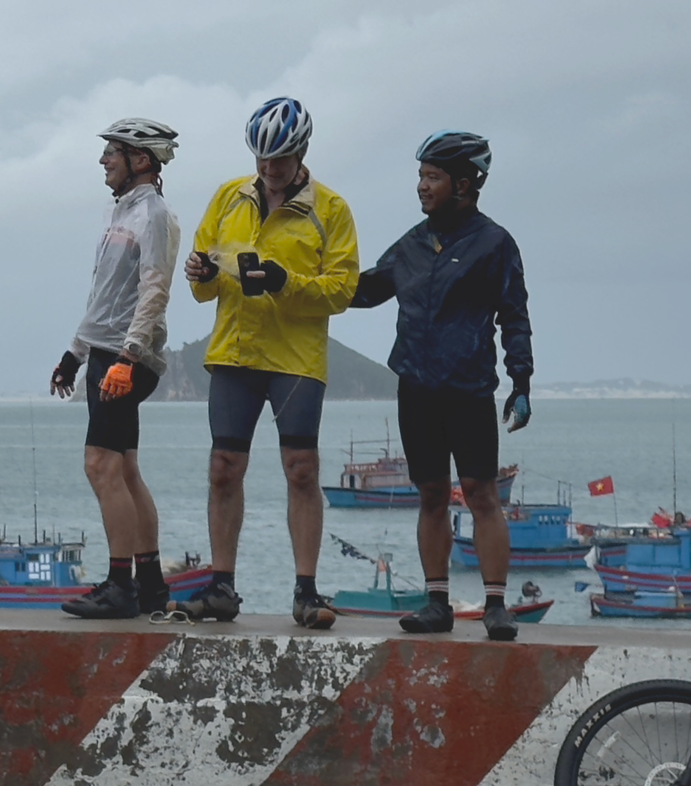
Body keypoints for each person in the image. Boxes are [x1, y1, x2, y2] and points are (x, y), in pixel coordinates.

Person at [173, 97, 359, 628]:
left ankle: (306, 591)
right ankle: (221, 587)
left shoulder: (332, 209)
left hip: (295, 359)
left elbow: (343, 289)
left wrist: (284, 282)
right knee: (223, 468)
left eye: (279, 158)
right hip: (235, 350)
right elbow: (202, 288)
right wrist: (202, 272)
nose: (269, 168)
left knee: (301, 468)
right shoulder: (229, 196)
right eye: (261, 157)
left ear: (302, 153)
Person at [348, 130, 533, 641]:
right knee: (430, 493)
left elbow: (515, 316)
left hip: (469, 388)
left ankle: (496, 605)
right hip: (416, 387)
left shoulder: (494, 243)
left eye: (433, 177)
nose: (422, 187)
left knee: (481, 493)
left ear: (464, 184)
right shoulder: (412, 242)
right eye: (421, 176)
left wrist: (521, 382)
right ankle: (437, 604)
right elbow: (365, 291)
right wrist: (297, 282)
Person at [50, 118, 183, 619]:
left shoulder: (152, 215)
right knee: (124, 468)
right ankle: (150, 586)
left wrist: (127, 358)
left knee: (99, 465)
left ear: (140, 160)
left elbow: (155, 290)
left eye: (113, 151)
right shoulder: (122, 213)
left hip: (125, 356)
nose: (103, 160)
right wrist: (75, 353)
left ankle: (119, 586)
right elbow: (104, 296)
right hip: (107, 351)